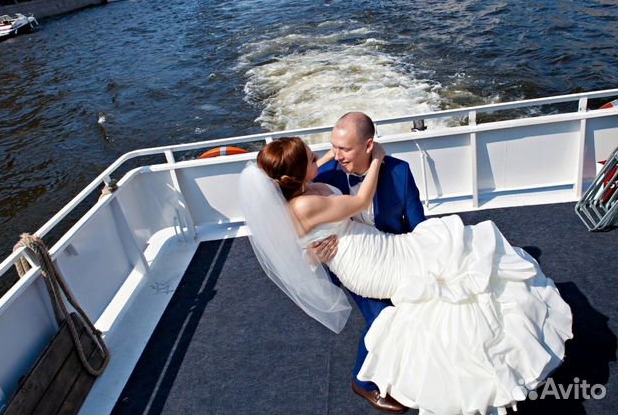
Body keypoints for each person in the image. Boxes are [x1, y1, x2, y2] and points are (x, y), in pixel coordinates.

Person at [239, 136, 573, 415]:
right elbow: (361, 202)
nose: (325, 158)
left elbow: (318, 176)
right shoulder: (302, 205)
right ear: (299, 172)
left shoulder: (303, 186)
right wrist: (377, 159)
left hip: (377, 243)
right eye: (314, 157)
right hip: (365, 265)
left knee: (446, 252)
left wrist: (343, 149)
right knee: (434, 287)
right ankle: (365, 381)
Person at [309, 112, 424, 413]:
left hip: (393, 254)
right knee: (384, 318)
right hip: (353, 265)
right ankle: (363, 381)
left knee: (428, 301)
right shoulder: (323, 179)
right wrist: (313, 255)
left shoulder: (399, 172)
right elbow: (297, 233)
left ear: (369, 146)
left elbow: (418, 225)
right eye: (333, 147)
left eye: (344, 149)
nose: (337, 156)